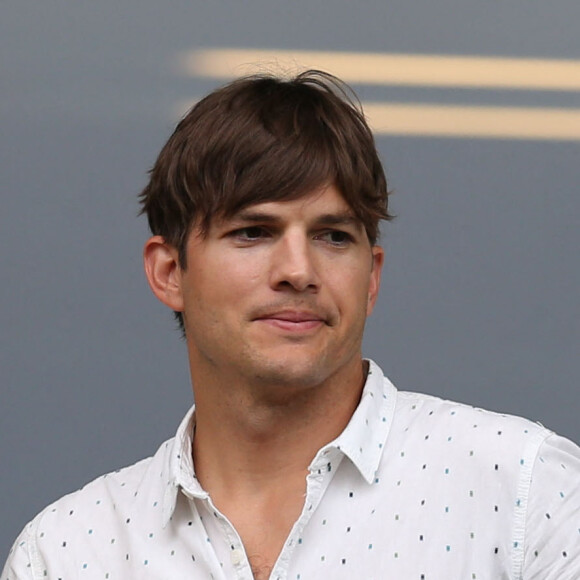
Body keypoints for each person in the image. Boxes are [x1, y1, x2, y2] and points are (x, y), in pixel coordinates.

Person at [3, 70, 580, 580]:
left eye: (333, 236)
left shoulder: (530, 497)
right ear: (170, 271)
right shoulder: (67, 554)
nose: (299, 271)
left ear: (371, 277)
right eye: (253, 232)